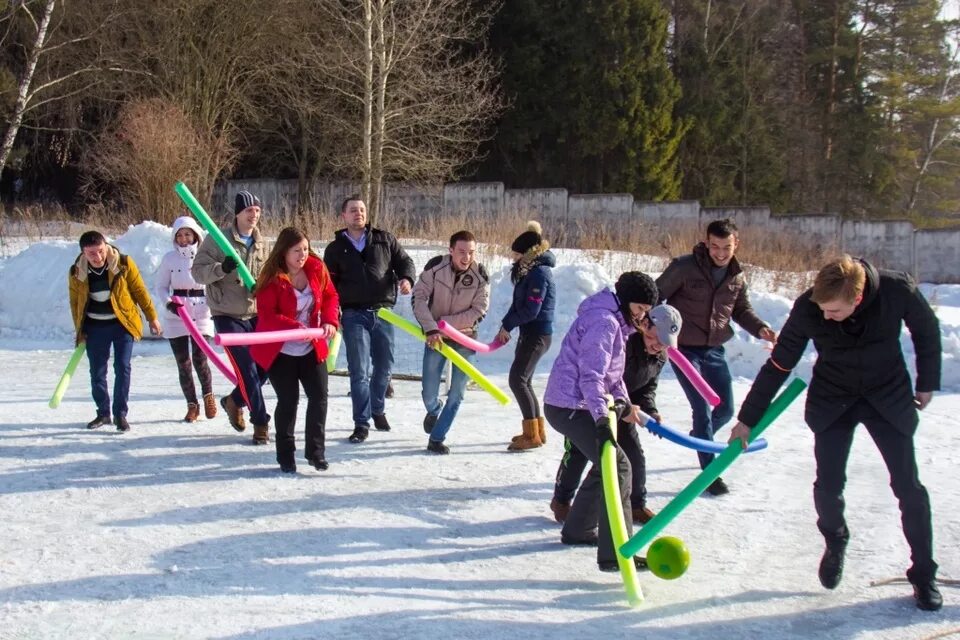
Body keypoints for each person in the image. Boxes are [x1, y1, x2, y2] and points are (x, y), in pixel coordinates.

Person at [729, 255, 943, 611]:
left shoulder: (896, 290)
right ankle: (835, 539)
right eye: (822, 310)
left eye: (834, 312)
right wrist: (747, 418)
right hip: (834, 399)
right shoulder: (809, 307)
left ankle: (924, 574)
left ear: (857, 298)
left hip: (886, 396)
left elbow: (926, 329)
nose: (825, 317)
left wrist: (927, 382)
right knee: (828, 486)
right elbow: (780, 363)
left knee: (908, 486)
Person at [542, 271, 657, 573]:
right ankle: (617, 554)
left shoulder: (617, 323)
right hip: (569, 404)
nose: (642, 316)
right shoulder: (604, 323)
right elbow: (591, 377)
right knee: (618, 466)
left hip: (576, 403)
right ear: (624, 299)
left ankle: (578, 530)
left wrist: (627, 404)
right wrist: (601, 421)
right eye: (640, 308)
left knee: (606, 465)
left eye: (646, 310)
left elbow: (612, 376)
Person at [656, 218, 776, 495]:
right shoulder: (684, 268)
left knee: (726, 409)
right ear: (706, 243)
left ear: (737, 244)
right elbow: (655, 294)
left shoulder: (737, 275)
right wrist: (651, 327)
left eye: (726, 247)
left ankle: (701, 437)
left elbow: (741, 309)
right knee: (702, 409)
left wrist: (760, 328)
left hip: (713, 349)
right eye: (715, 247)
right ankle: (710, 474)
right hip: (684, 349)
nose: (720, 253)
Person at [550, 304, 682, 525]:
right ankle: (562, 501)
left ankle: (637, 505)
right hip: (590, 406)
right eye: (655, 338)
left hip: (625, 410)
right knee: (579, 454)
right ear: (645, 326)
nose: (658, 346)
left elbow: (646, 389)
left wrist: (650, 411)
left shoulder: (659, 356)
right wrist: (611, 405)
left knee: (634, 456)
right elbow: (598, 375)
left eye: (664, 344)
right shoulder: (624, 342)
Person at [323, 196, 416, 444]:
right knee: (359, 370)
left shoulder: (384, 239)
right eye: (353, 210)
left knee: (385, 366)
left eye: (362, 210)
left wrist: (406, 278)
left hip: (383, 312)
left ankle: (377, 409)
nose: (358, 214)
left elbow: (405, 261)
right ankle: (361, 423)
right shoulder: (334, 249)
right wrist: (333, 314)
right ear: (344, 215)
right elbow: (328, 286)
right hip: (353, 314)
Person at [250, 228, 339, 474]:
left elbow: (331, 295)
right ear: (284, 252)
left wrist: (330, 321)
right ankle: (285, 455)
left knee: (319, 397)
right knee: (289, 401)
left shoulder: (316, 269)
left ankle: (315, 452)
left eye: (306, 249)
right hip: (282, 350)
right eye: (296, 250)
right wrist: (297, 327)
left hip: (312, 345)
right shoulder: (273, 279)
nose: (302, 255)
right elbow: (268, 317)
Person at [192, 190, 271, 444]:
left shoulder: (262, 243)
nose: (254, 215)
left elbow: (271, 274)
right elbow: (197, 273)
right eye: (249, 210)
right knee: (247, 369)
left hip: (255, 312)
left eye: (257, 211)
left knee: (265, 366)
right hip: (227, 314)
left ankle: (234, 400)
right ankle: (260, 422)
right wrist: (220, 268)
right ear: (238, 213)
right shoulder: (217, 240)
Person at [68, 230, 161, 432]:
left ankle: (120, 414)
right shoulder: (76, 271)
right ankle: (103, 413)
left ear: (106, 246)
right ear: (83, 253)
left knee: (122, 366)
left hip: (122, 323)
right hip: (94, 326)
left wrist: (152, 317)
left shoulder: (124, 263)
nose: (98, 257)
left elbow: (139, 291)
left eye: (100, 251)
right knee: (97, 372)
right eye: (91, 253)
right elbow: (75, 302)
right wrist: (80, 330)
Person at [412, 230, 490, 454]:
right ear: (451, 251)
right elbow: (419, 298)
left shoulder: (480, 274)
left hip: (465, 339)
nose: (467, 257)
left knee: (457, 393)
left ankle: (437, 438)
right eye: (462, 252)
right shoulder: (436, 266)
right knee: (429, 392)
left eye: (471, 252)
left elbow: (479, 310)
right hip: (434, 337)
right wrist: (432, 327)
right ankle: (434, 409)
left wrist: (446, 323)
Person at [496, 221, 556, 451]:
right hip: (529, 333)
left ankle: (532, 436)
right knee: (525, 381)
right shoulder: (528, 271)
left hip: (538, 334)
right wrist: (506, 326)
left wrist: (509, 325)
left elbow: (532, 309)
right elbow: (517, 304)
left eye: (518, 254)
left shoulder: (539, 273)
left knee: (517, 379)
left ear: (528, 253)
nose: (514, 259)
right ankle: (535, 432)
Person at [154, 216, 217, 423]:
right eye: (179, 235)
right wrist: (168, 303)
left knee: (200, 359)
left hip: (201, 313)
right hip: (177, 315)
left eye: (187, 234)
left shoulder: (205, 256)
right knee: (183, 363)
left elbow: (214, 283)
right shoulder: (169, 259)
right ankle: (192, 404)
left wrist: (213, 304)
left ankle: (208, 396)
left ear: (195, 235)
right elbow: (161, 286)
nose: (183, 239)